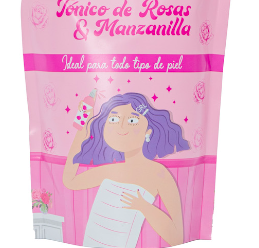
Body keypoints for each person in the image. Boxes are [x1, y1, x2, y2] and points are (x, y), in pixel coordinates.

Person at [63, 92, 190, 247]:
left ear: (148, 132)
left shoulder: (158, 173)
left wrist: (145, 207)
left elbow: (177, 237)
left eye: (132, 120)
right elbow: (70, 181)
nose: (121, 127)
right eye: (114, 119)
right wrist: (83, 126)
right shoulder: (111, 170)